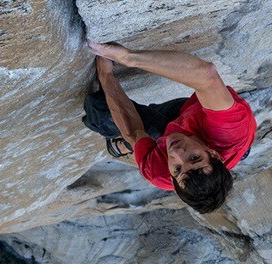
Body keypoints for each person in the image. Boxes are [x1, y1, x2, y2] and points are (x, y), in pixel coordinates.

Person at [81, 41, 256, 213]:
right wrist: (128, 57)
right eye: (195, 158)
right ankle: (240, 153)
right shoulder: (228, 131)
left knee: (100, 112)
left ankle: (124, 147)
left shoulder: (160, 173)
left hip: (185, 129)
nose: (177, 153)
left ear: (172, 179)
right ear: (213, 153)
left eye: (178, 169)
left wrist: (106, 75)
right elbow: (206, 76)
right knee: (165, 126)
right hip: (196, 119)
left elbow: (134, 132)